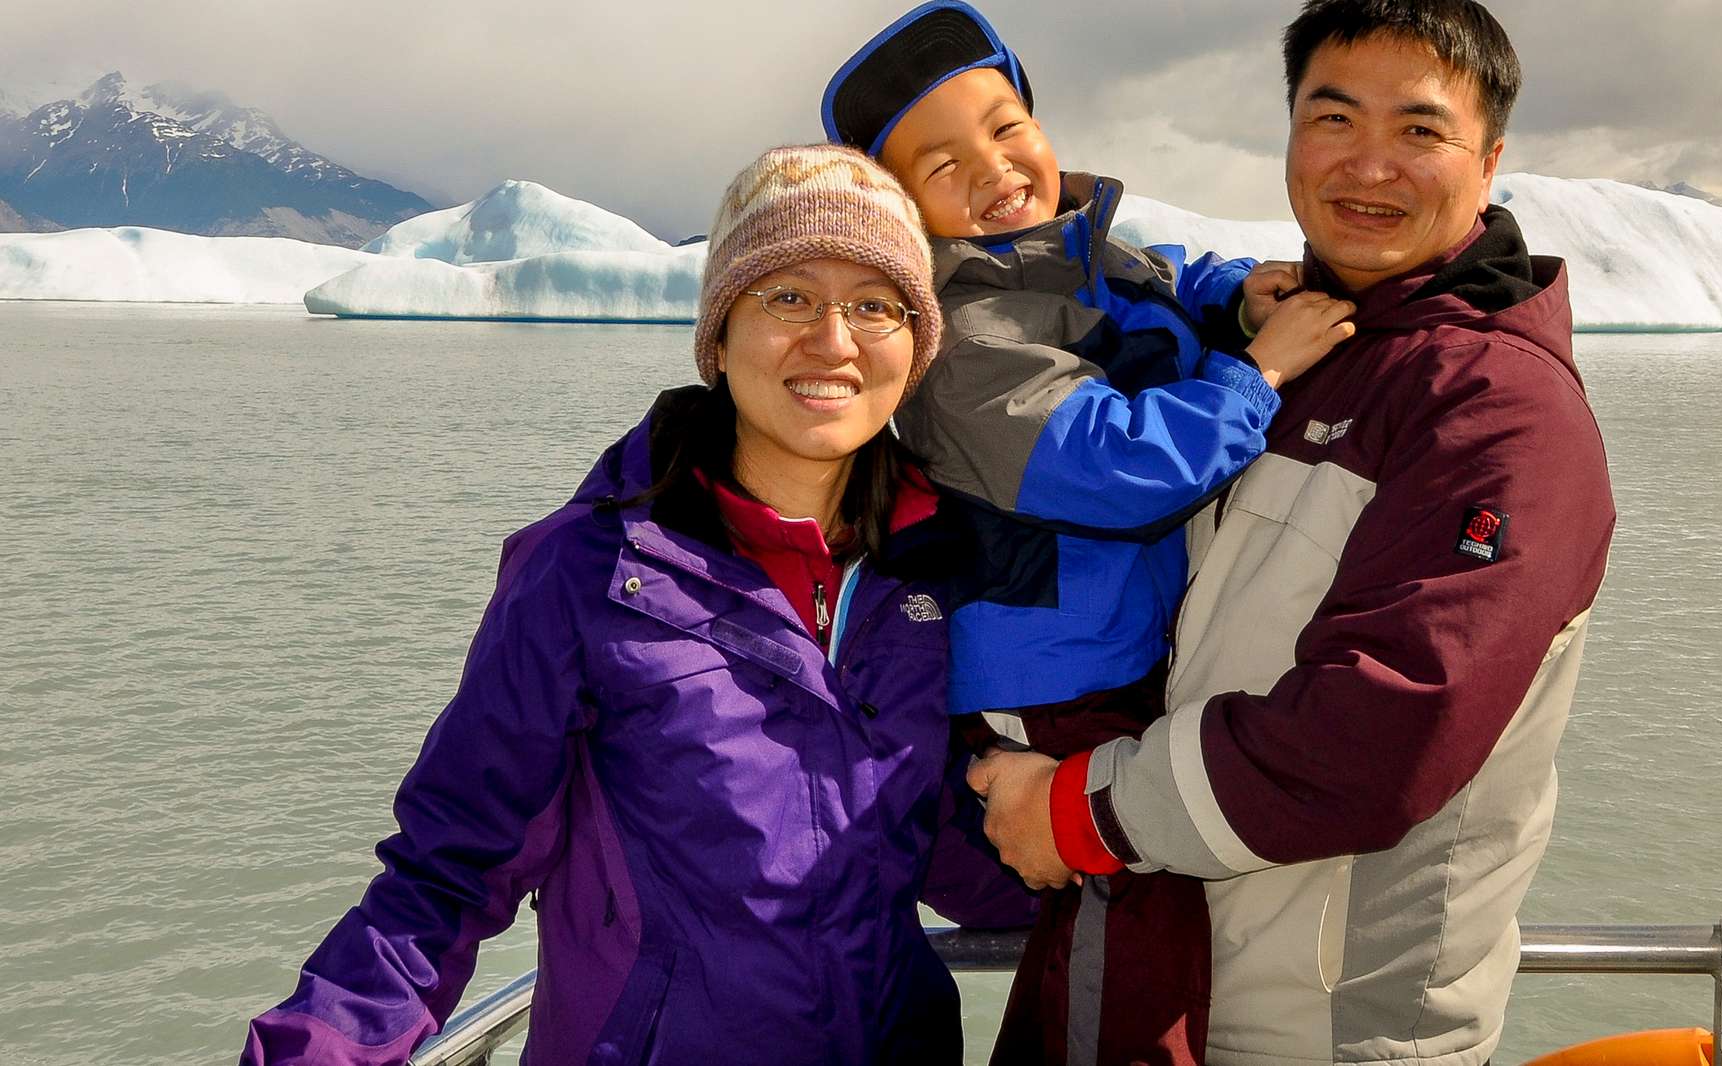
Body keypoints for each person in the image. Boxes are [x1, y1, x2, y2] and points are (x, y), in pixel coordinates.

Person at [240, 144, 1031, 1066]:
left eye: (873, 304)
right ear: (720, 335)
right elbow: (446, 873)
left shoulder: (931, 570)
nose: (833, 339)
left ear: (915, 343)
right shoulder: (586, 573)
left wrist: (1110, 830)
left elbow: (948, 842)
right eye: (787, 296)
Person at [970, 2, 1618, 1065]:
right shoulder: (1295, 347)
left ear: (1489, 160)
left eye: (1418, 130)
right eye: (1333, 118)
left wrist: (1083, 811)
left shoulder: (1496, 409)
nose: (1368, 166)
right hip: (1159, 985)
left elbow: (1384, 724)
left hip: (1324, 1029)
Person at [823, 3, 1358, 1063]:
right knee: (1129, 904)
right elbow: (1122, 472)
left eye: (1004, 125)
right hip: (1043, 682)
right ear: (902, 211)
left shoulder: (1071, 254)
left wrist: (1237, 299)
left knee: (1122, 911)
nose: (994, 168)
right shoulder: (963, 342)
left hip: (1115, 656)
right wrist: (1258, 374)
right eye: (942, 164)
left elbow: (1156, 283)